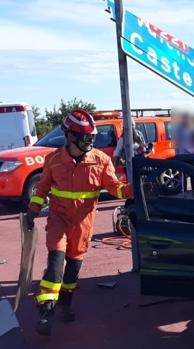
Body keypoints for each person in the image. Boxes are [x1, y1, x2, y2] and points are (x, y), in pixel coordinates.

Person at [25, 110, 133, 336]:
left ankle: (65, 304)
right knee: (56, 264)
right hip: (58, 221)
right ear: (70, 136)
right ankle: (46, 310)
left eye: (92, 138)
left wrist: (133, 191)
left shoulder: (101, 161)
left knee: (72, 270)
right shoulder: (53, 160)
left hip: (83, 225)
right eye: (85, 138)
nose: (90, 142)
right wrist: (32, 210)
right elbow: (42, 189)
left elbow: (115, 186)